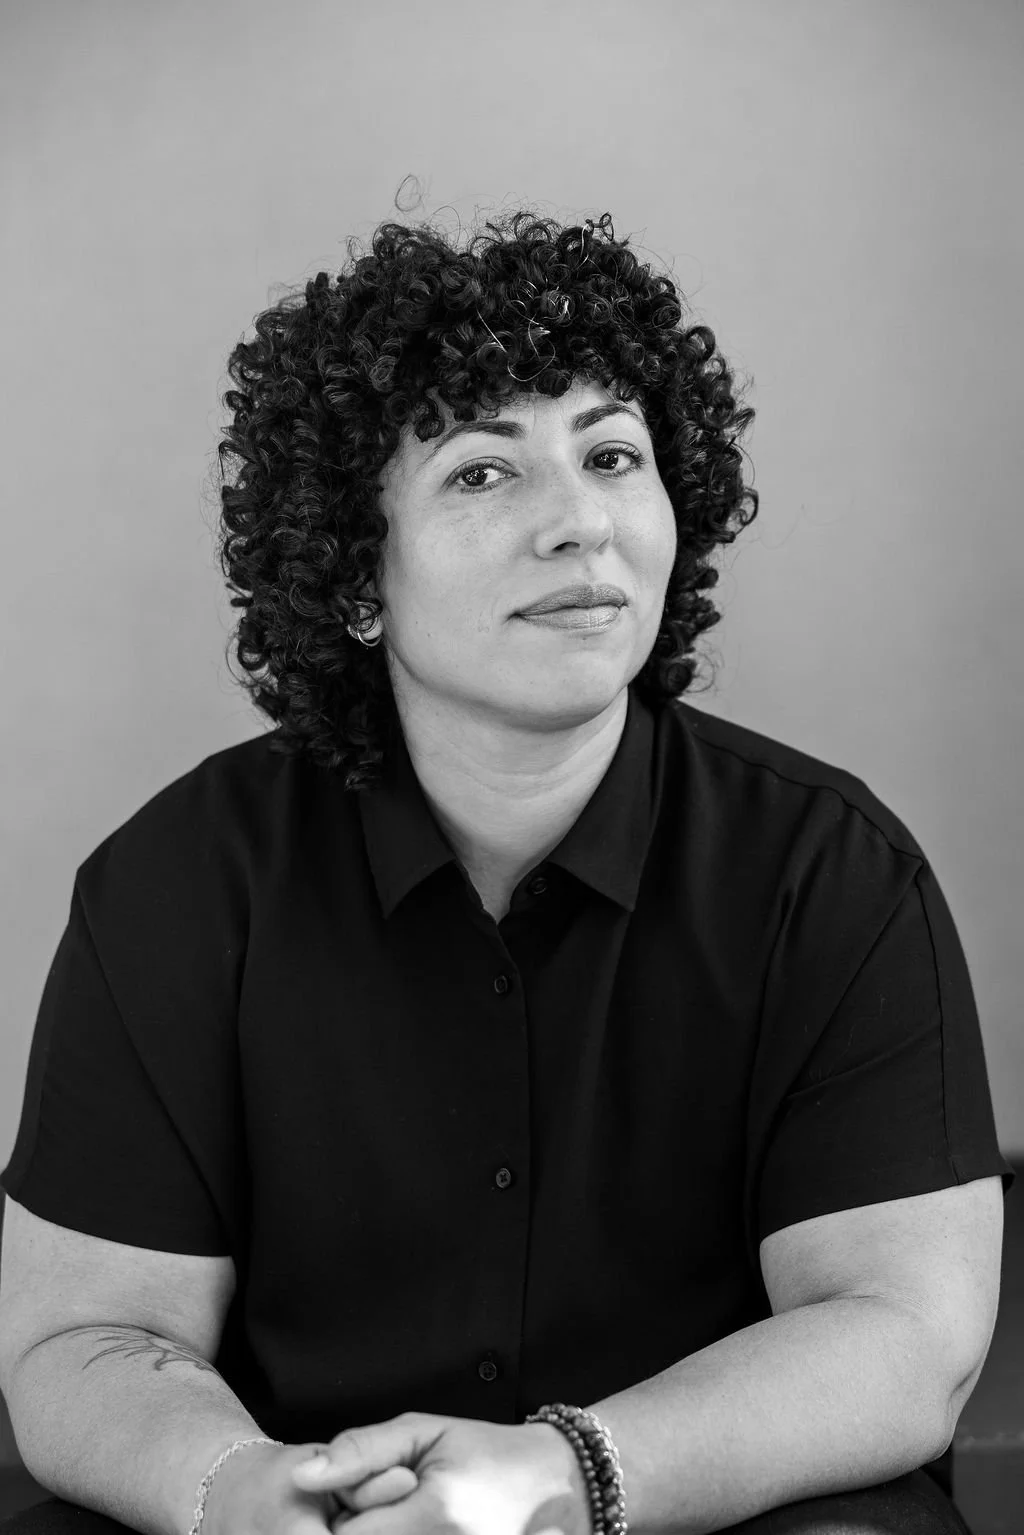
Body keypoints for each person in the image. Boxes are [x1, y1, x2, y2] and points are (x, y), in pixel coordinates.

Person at [0, 205, 1014, 1535]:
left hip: (694, 1511)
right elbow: (85, 1336)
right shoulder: (176, 885)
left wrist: (562, 1477)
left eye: (611, 455)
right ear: (354, 578)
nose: (579, 522)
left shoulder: (832, 875)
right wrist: (241, 1492)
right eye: (483, 473)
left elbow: (900, 1332)